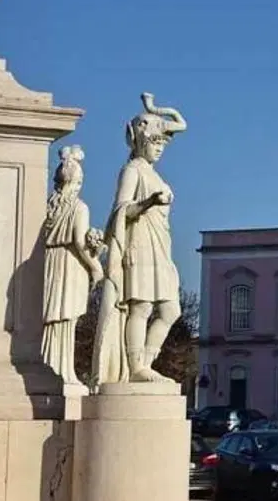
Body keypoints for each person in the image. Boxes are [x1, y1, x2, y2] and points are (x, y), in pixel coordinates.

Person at [105, 93, 187, 383]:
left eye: (162, 143)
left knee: (170, 310)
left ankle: (145, 364)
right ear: (141, 141)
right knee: (141, 306)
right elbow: (121, 210)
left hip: (161, 246)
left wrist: (155, 109)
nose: (160, 148)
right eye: (155, 142)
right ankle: (135, 367)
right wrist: (150, 202)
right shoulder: (132, 170)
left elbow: (181, 123)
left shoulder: (152, 172)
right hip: (140, 243)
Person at [41, 145, 103, 385]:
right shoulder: (79, 207)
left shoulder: (48, 206)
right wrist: (95, 264)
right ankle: (62, 372)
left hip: (49, 261)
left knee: (52, 318)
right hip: (70, 265)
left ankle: (49, 365)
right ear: (77, 181)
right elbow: (79, 242)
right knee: (65, 319)